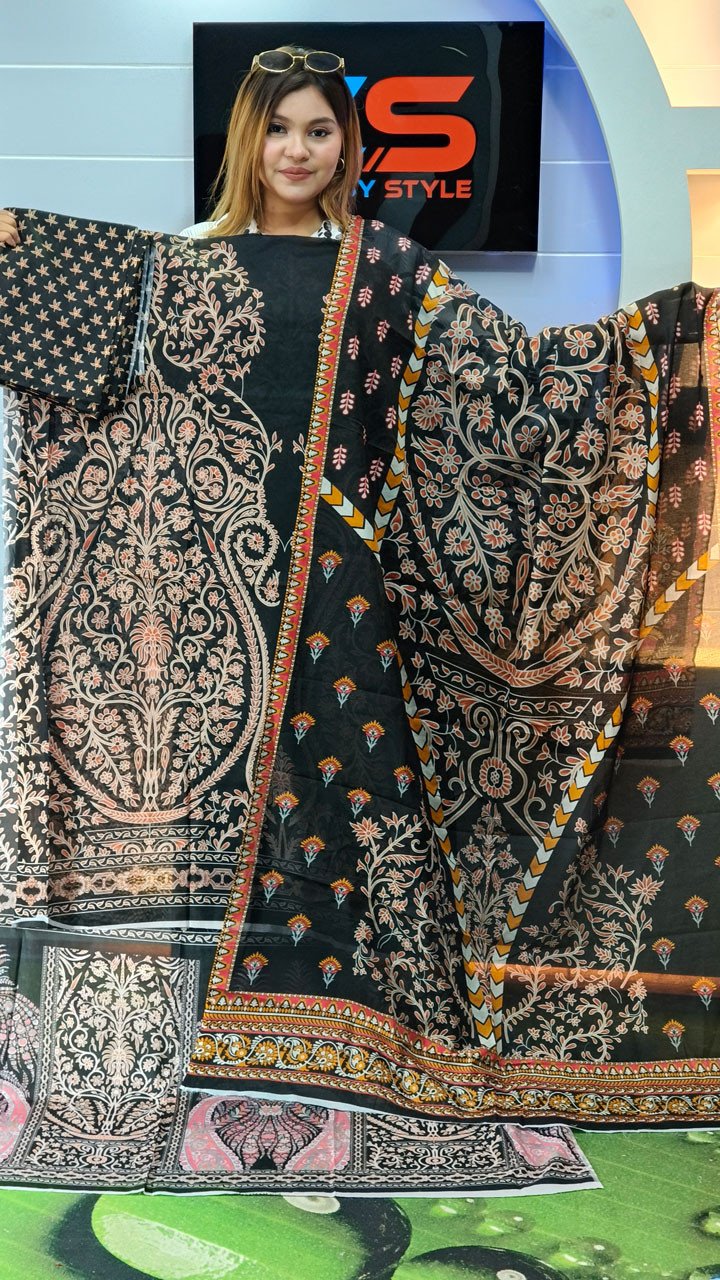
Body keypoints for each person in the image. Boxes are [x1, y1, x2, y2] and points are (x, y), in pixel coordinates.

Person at [0, 45, 717, 1202]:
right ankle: (151, 1088)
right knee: (191, 855)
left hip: (340, 608)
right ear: (247, 139)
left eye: (320, 131)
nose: (297, 150)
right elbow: (73, 382)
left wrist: (672, 339)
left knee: (347, 833)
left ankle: (333, 1072)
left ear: (349, 146)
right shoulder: (173, 268)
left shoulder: (389, 272)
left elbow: (518, 390)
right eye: (279, 128)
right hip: (201, 616)